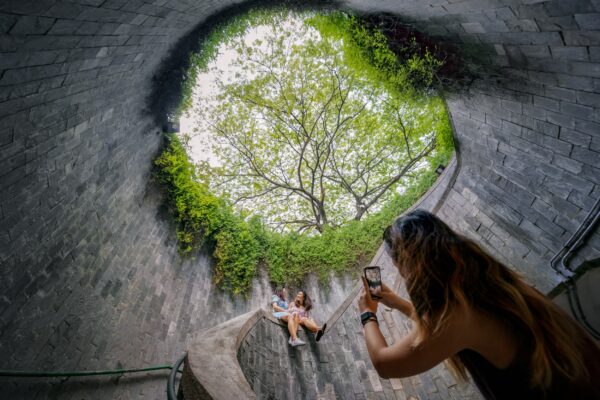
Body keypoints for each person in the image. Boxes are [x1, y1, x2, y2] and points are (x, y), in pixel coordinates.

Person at [358, 209, 600, 399]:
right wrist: (397, 302)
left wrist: (367, 313)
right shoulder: (488, 282)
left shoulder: (457, 315)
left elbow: (384, 364)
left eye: (397, 263)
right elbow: (446, 327)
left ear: (409, 261)